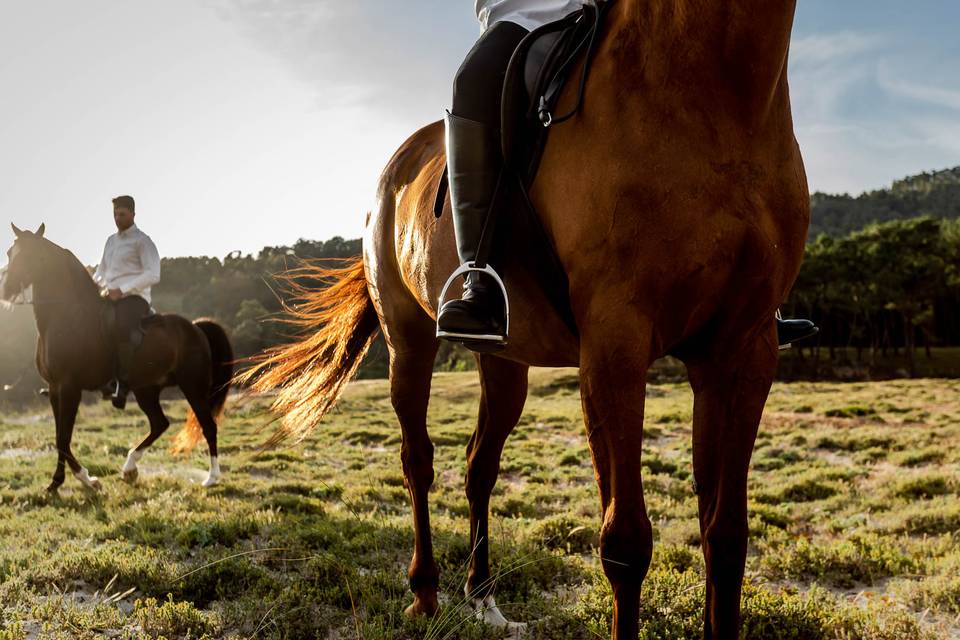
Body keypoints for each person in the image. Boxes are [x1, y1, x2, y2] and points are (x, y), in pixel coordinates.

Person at [436, 0, 818, 348]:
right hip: (526, 17)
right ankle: (480, 280)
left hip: (614, 12)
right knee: (473, 78)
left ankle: (752, 297)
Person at [93, 195, 161, 408]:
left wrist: (121, 291)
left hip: (134, 298)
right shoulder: (110, 241)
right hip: (109, 296)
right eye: (115, 214)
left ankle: (122, 384)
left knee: (121, 325)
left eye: (122, 214)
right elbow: (101, 271)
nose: (117, 218)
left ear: (133, 214)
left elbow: (153, 274)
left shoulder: (143, 241)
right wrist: (95, 283)